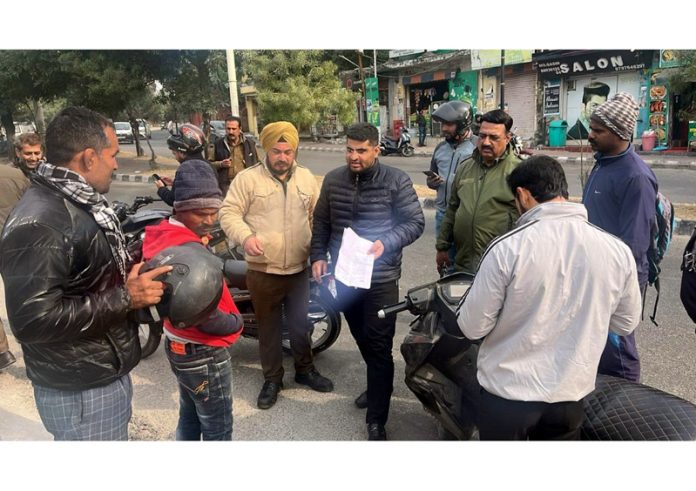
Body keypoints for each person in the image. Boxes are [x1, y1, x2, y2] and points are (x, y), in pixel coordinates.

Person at [0, 106, 171, 440]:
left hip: (97, 375)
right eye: (113, 155)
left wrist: (142, 253)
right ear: (89, 157)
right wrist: (127, 297)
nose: (117, 164)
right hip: (80, 390)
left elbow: (89, 270)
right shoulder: (41, 221)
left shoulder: (79, 203)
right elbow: (33, 321)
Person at [457, 155, 642, 440]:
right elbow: (625, 324)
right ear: (562, 191)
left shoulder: (508, 248)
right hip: (570, 395)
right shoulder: (616, 251)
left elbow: (472, 327)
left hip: (508, 395)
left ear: (522, 195)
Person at [310, 122, 425, 440]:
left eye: (361, 150)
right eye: (349, 149)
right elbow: (321, 220)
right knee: (362, 338)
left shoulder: (396, 180)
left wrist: (386, 242)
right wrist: (318, 255)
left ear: (376, 149)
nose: (354, 156)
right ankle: (378, 388)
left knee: (379, 347)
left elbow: (414, 222)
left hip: (381, 279)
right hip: (345, 276)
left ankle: (377, 417)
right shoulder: (333, 180)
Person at [219, 121, 334, 410]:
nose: (282, 157)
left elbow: (316, 218)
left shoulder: (307, 179)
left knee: (300, 325)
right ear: (265, 151)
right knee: (269, 330)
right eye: (276, 151)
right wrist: (245, 238)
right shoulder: (248, 179)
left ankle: (305, 370)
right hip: (262, 270)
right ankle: (272, 379)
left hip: (298, 269)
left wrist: (318, 253)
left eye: (288, 151)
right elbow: (229, 212)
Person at [142, 160, 244, 440]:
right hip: (203, 351)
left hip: (179, 345)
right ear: (181, 208)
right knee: (218, 430)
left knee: (190, 417)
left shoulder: (164, 233)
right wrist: (234, 323)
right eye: (202, 213)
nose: (210, 220)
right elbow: (199, 309)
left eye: (214, 212)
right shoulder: (183, 250)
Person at [583, 92, 657, 383]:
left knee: (619, 350)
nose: (590, 135)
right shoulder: (603, 163)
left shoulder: (635, 176)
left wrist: (614, 285)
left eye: (598, 131)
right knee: (596, 345)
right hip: (596, 271)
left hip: (618, 277)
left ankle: (628, 405)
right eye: (591, 128)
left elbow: (635, 244)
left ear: (620, 132)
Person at [436, 109, 521, 274]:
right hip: (463, 264)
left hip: (501, 268)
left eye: (494, 137)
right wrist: (442, 247)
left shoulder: (520, 172)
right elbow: (452, 209)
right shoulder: (465, 168)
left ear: (508, 138)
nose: (486, 142)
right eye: (482, 136)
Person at [427, 100, 477, 272]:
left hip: (467, 216)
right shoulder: (440, 148)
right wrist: (432, 182)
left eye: (448, 124)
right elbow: (431, 176)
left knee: (467, 266)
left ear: (462, 124)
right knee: (446, 263)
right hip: (443, 215)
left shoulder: (477, 147)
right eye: (443, 124)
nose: (444, 129)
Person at [154, 123, 208, 206]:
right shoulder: (209, 166)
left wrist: (161, 189)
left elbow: (173, 199)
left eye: (175, 153)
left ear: (182, 152)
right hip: (210, 215)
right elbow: (197, 186)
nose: (175, 157)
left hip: (191, 216)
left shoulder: (186, 169)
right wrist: (175, 183)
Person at [210, 116, 259, 195]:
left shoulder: (250, 144)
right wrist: (221, 164)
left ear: (240, 129)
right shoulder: (217, 144)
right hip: (226, 187)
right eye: (228, 129)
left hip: (246, 185)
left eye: (234, 129)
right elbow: (208, 165)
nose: (231, 132)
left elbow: (258, 163)